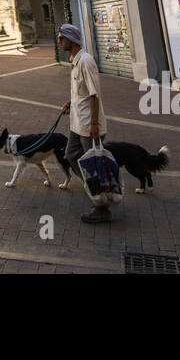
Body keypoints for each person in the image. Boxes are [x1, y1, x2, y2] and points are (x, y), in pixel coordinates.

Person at [57, 23, 112, 224]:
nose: (59, 41)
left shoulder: (86, 61)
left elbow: (94, 94)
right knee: (72, 155)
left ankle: (102, 206)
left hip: (89, 125)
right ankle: (93, 188)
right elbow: (81, 92)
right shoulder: (74, 61)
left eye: (61, 38)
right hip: (77, 123)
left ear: (71, 39)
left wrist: (95, 124)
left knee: (92, 166)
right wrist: (71, 103)